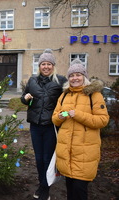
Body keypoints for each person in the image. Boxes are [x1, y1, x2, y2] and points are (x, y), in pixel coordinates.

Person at [52, 59, 109, 200]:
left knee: (79, 190)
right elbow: (54, 118)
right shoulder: (64, 95)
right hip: (67, 152)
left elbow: (102, 120)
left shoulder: (94, 95)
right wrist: (60, 116)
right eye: (71, 75)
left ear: (84, 77)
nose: (74, 78)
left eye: (78, 75)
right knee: (70, 190)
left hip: (84, 154)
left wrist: (78, 114)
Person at [20, 49, 67, 200]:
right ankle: (42, 184)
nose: (46, 67)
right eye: (43, 64)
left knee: (47, 159)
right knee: (39, 158)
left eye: (49, 64)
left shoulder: (60, 81)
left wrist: (64, 115)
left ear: (53, 66)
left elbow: (69, 100)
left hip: (50, 126)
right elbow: (23, 98)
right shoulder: (32, 81)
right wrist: (25, 98)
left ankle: (45, 189)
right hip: (35, 125)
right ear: (39, 66)